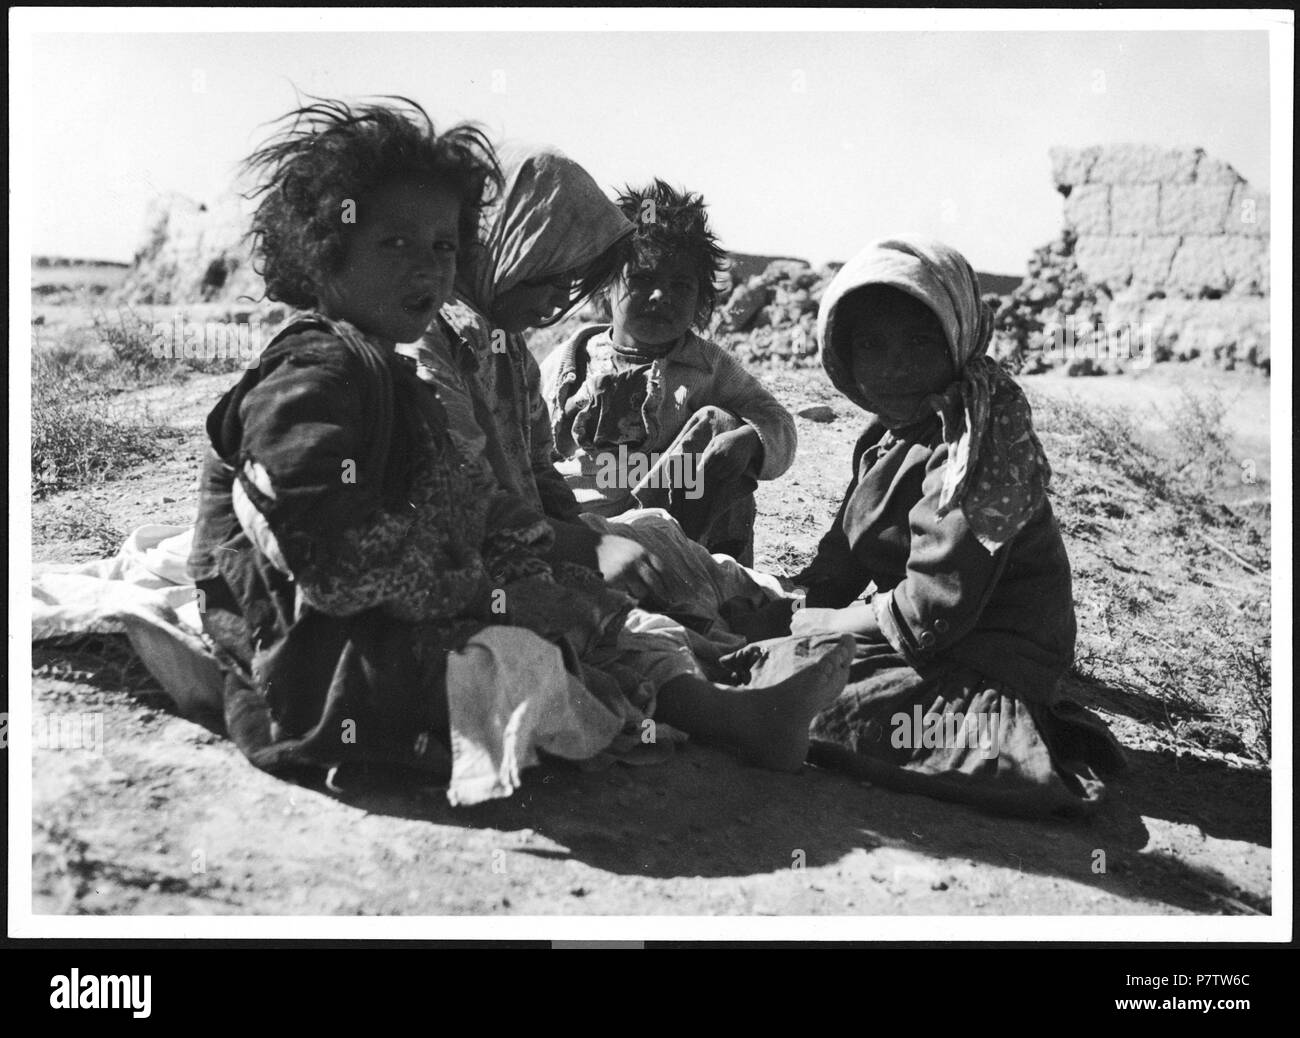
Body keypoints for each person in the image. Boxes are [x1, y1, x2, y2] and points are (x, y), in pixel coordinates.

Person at [189, 104, 852, 801]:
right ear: (324, 249)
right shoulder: (314, 375)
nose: (430, 269)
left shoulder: (395, 370)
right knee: (527, 659)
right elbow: (335, 564)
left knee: (575, 618)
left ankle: (736, 690)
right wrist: (489, 590)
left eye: (445, 247)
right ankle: (729, 710)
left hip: (385, 612)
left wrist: (550, 557)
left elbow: (468, 498)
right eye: (396, 245)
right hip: (304, 660)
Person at [785, 234, 1126, 816]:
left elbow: (932, 603)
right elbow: (845, 547)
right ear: (842, 355)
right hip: (937, 641)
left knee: (804, 701)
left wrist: (824, 624)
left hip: (985, 659)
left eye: (921, 342)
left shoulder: (971, 444)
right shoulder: (888, 436)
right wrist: (800, 609)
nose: (894, 366)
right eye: (871, 344)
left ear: (960, 337)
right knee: (773, 651)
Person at [541, 179, 797, 566]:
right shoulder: (570, 361)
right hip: (585, 534)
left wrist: (751, 440)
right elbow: (526, 443)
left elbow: (777, 421)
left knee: (723, 426)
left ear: (701, 300)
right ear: (605, 285)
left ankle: (714, 575)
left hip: (675, 529)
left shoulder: (708, 366)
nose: (662, 296)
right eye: (643, 279)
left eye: (681, 285)